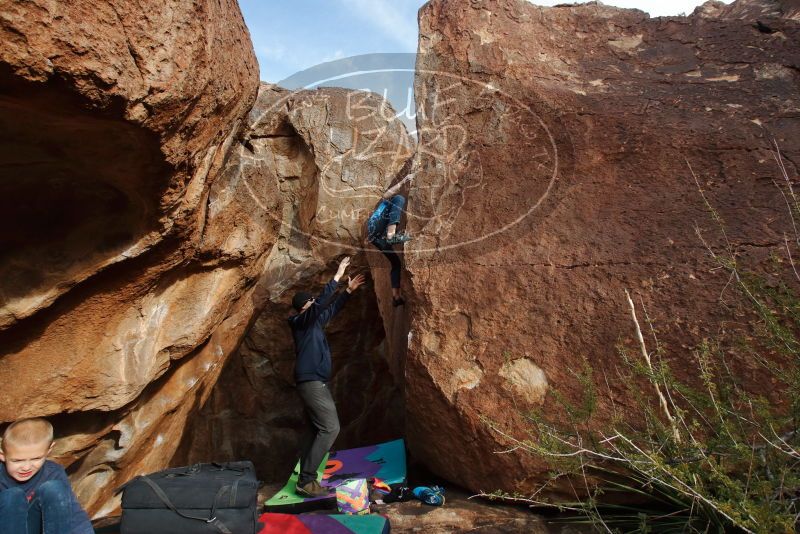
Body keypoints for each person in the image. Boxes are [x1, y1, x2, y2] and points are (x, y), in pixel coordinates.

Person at [289, 257, 366, 498]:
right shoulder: (300, 322)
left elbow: (329, 309)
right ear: (304, 306)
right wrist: (337, 276)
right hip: (311, 382)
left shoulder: (313, 323)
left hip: (315, 381)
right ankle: (307, 480)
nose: (315, 304)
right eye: (311, 302)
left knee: (316, 429)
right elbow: (322, 304)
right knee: (331, 427)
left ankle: (305, 478)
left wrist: (348, 292)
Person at [0, 418, 94, 534]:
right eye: (17, 460)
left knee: (55, 488)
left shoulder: (53, 472)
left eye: (36, 458)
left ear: (48, 450)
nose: (26, 467)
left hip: (37, 527)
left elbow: (75, 515)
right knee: (12, 496)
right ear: (2, 455)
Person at [367, 172, 414, 307]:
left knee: (396, 263)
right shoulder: (384, 203)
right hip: (375, 228)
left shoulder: (385, 208)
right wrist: (405, 179)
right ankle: (391, 234)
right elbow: (389, 193)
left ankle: (396, 296)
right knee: (399, 198)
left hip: (377, 238)